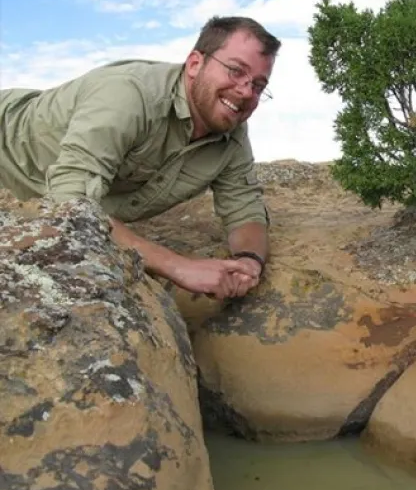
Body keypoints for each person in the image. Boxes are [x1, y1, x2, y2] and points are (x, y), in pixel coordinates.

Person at [0, 15, 279, 300]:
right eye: (235, 70)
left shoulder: (231, 132)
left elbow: (245, 208)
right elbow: (70, 204)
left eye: (258, 84)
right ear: (195, 64)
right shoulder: (128, 95)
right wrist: (178, 266)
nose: (246, 91)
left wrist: (249, 261)